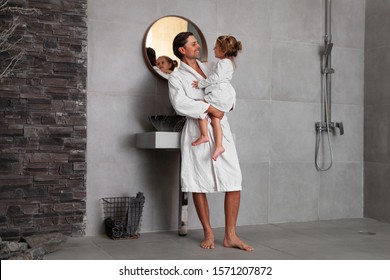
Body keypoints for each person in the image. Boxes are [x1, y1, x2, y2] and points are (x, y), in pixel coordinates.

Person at [168, 32, 253, 251]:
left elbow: (227, 88)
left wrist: (223, 107)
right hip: (197, 129)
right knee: (197, 182)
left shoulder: (210, 68)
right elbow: (180, 104)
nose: (198, 46)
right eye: (193, 44)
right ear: (182, 50)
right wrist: (208, 108)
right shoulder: (176, 77)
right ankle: (208, 233)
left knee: (234, 179)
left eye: (197, 43)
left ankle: (230, 236)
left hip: (220, 127)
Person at [191, 35, 242, 161]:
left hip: (219, 95)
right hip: (224, 95)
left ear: (223, 50)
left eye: (216, 47)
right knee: (215, 120)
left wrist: (200, 84)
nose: (214, 49)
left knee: (201, 107)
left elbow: (215, 78)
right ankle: (219, 146)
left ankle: (204, 135)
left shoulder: (223, 63)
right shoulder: (227, 63)